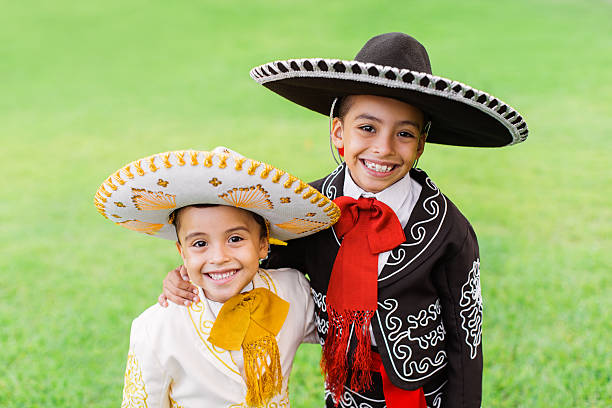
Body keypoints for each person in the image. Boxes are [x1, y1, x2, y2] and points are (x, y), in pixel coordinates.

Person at [160, 33, 529, 407]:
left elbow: (465, 335)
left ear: (420, 144)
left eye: (403, 134)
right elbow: (251, 261)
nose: (383, 149)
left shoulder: (448, 229)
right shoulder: (304, 207)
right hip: (345, 391)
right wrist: (187, 276)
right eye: (367, 128)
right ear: (339, 132)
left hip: (420, 394)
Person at [94, 148, 340, 407]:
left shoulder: (293, 290)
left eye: (235, 239)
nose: (219, 256)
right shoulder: (156, 328)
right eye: (199, 243)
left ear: (263, 245)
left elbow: (340, 330)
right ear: (182, 253)